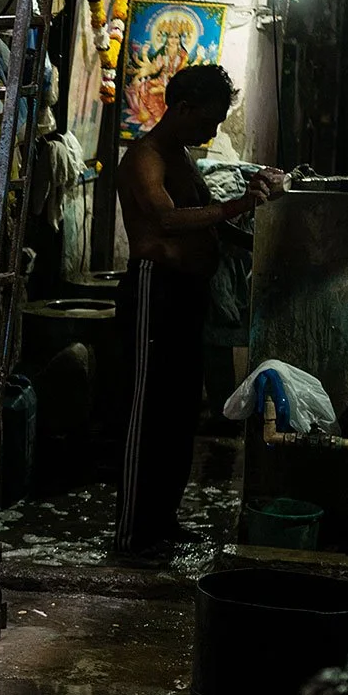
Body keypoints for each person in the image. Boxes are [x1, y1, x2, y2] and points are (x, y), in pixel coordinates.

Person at [113, 65, 280, 558]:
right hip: (154, 292)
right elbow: (166, 219)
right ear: (183, 108)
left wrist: (261, 245)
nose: (213, 132)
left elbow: (206, 225)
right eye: (209, 120)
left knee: (180, 414)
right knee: (146, 415)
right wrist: (238, 207)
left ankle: (161, 521)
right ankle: (130, 536)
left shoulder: (181, 158)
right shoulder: (146, 156)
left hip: (186, 296)